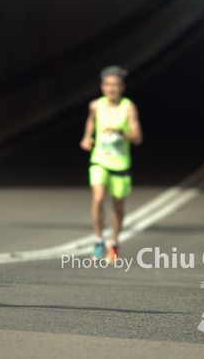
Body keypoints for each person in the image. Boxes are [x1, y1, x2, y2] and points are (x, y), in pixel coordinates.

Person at [79, 66, 143, 264]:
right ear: (102, 86)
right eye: (107, 84)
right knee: (97, 198)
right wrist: (87, 137)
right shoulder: (96, 105)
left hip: (120, 163)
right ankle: (98, 240)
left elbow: (137, 137)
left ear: (122, 87)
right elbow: (91, 121)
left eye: (115, 85)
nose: (111, 88)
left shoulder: (128, 107)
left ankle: (113, 242)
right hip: (99, 160)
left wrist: (119, 131)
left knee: (117, 204)